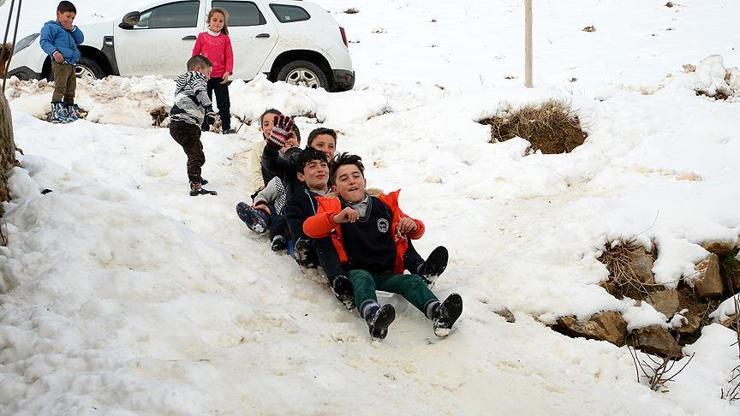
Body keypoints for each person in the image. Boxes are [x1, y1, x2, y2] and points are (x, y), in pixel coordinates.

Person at [303, 153, 463, 340]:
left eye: (356, 176)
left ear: (364, 180)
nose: (351, 181)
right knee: (363, 279)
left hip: (387, 272)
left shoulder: (384, 205)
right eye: (343, 178)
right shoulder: (334, 207)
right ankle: (373, 316)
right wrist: (335, 218)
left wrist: (413, 225)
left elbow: (418, 231)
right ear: (335, 187)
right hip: (357, 271)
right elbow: (309, 229)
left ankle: (438, 314)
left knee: (412, 282)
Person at [169, 55, 218, 196]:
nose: (209, 77)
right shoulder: (197, 78)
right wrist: (209, 109)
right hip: (186, 125)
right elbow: (201, 92)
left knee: (198, 154)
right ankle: (195, 184)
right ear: (198, 69)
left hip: (179, 125)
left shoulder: (184, 82)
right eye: (208, 73)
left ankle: (196, 176)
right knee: (195, 155)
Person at [39, 1, 84, 124]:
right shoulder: (50, 27)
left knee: (71, 89)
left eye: (73, 18)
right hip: (60, 63)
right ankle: (57, 112)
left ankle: (70, 111)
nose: (70, 20)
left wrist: (73, 29)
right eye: (68, 16)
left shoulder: (71, 30)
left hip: (71, 64)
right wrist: (54, 52)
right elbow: (44, 41)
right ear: (59, 14)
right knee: (60, 87)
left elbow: (80, 39)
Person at [192, 8, 234, 134]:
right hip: (204, 78)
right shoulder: (202, 37)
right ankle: (204, 128)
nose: (217, 23)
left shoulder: (225, 38)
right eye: (215, 20)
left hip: (220, 77)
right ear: (209, 21)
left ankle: (226, 127)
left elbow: (229, 56)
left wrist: (228, 71)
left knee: (224, 103)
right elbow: (195, 54)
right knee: (204, 103)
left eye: (221, 21)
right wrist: (196, 71)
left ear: (224, 23)